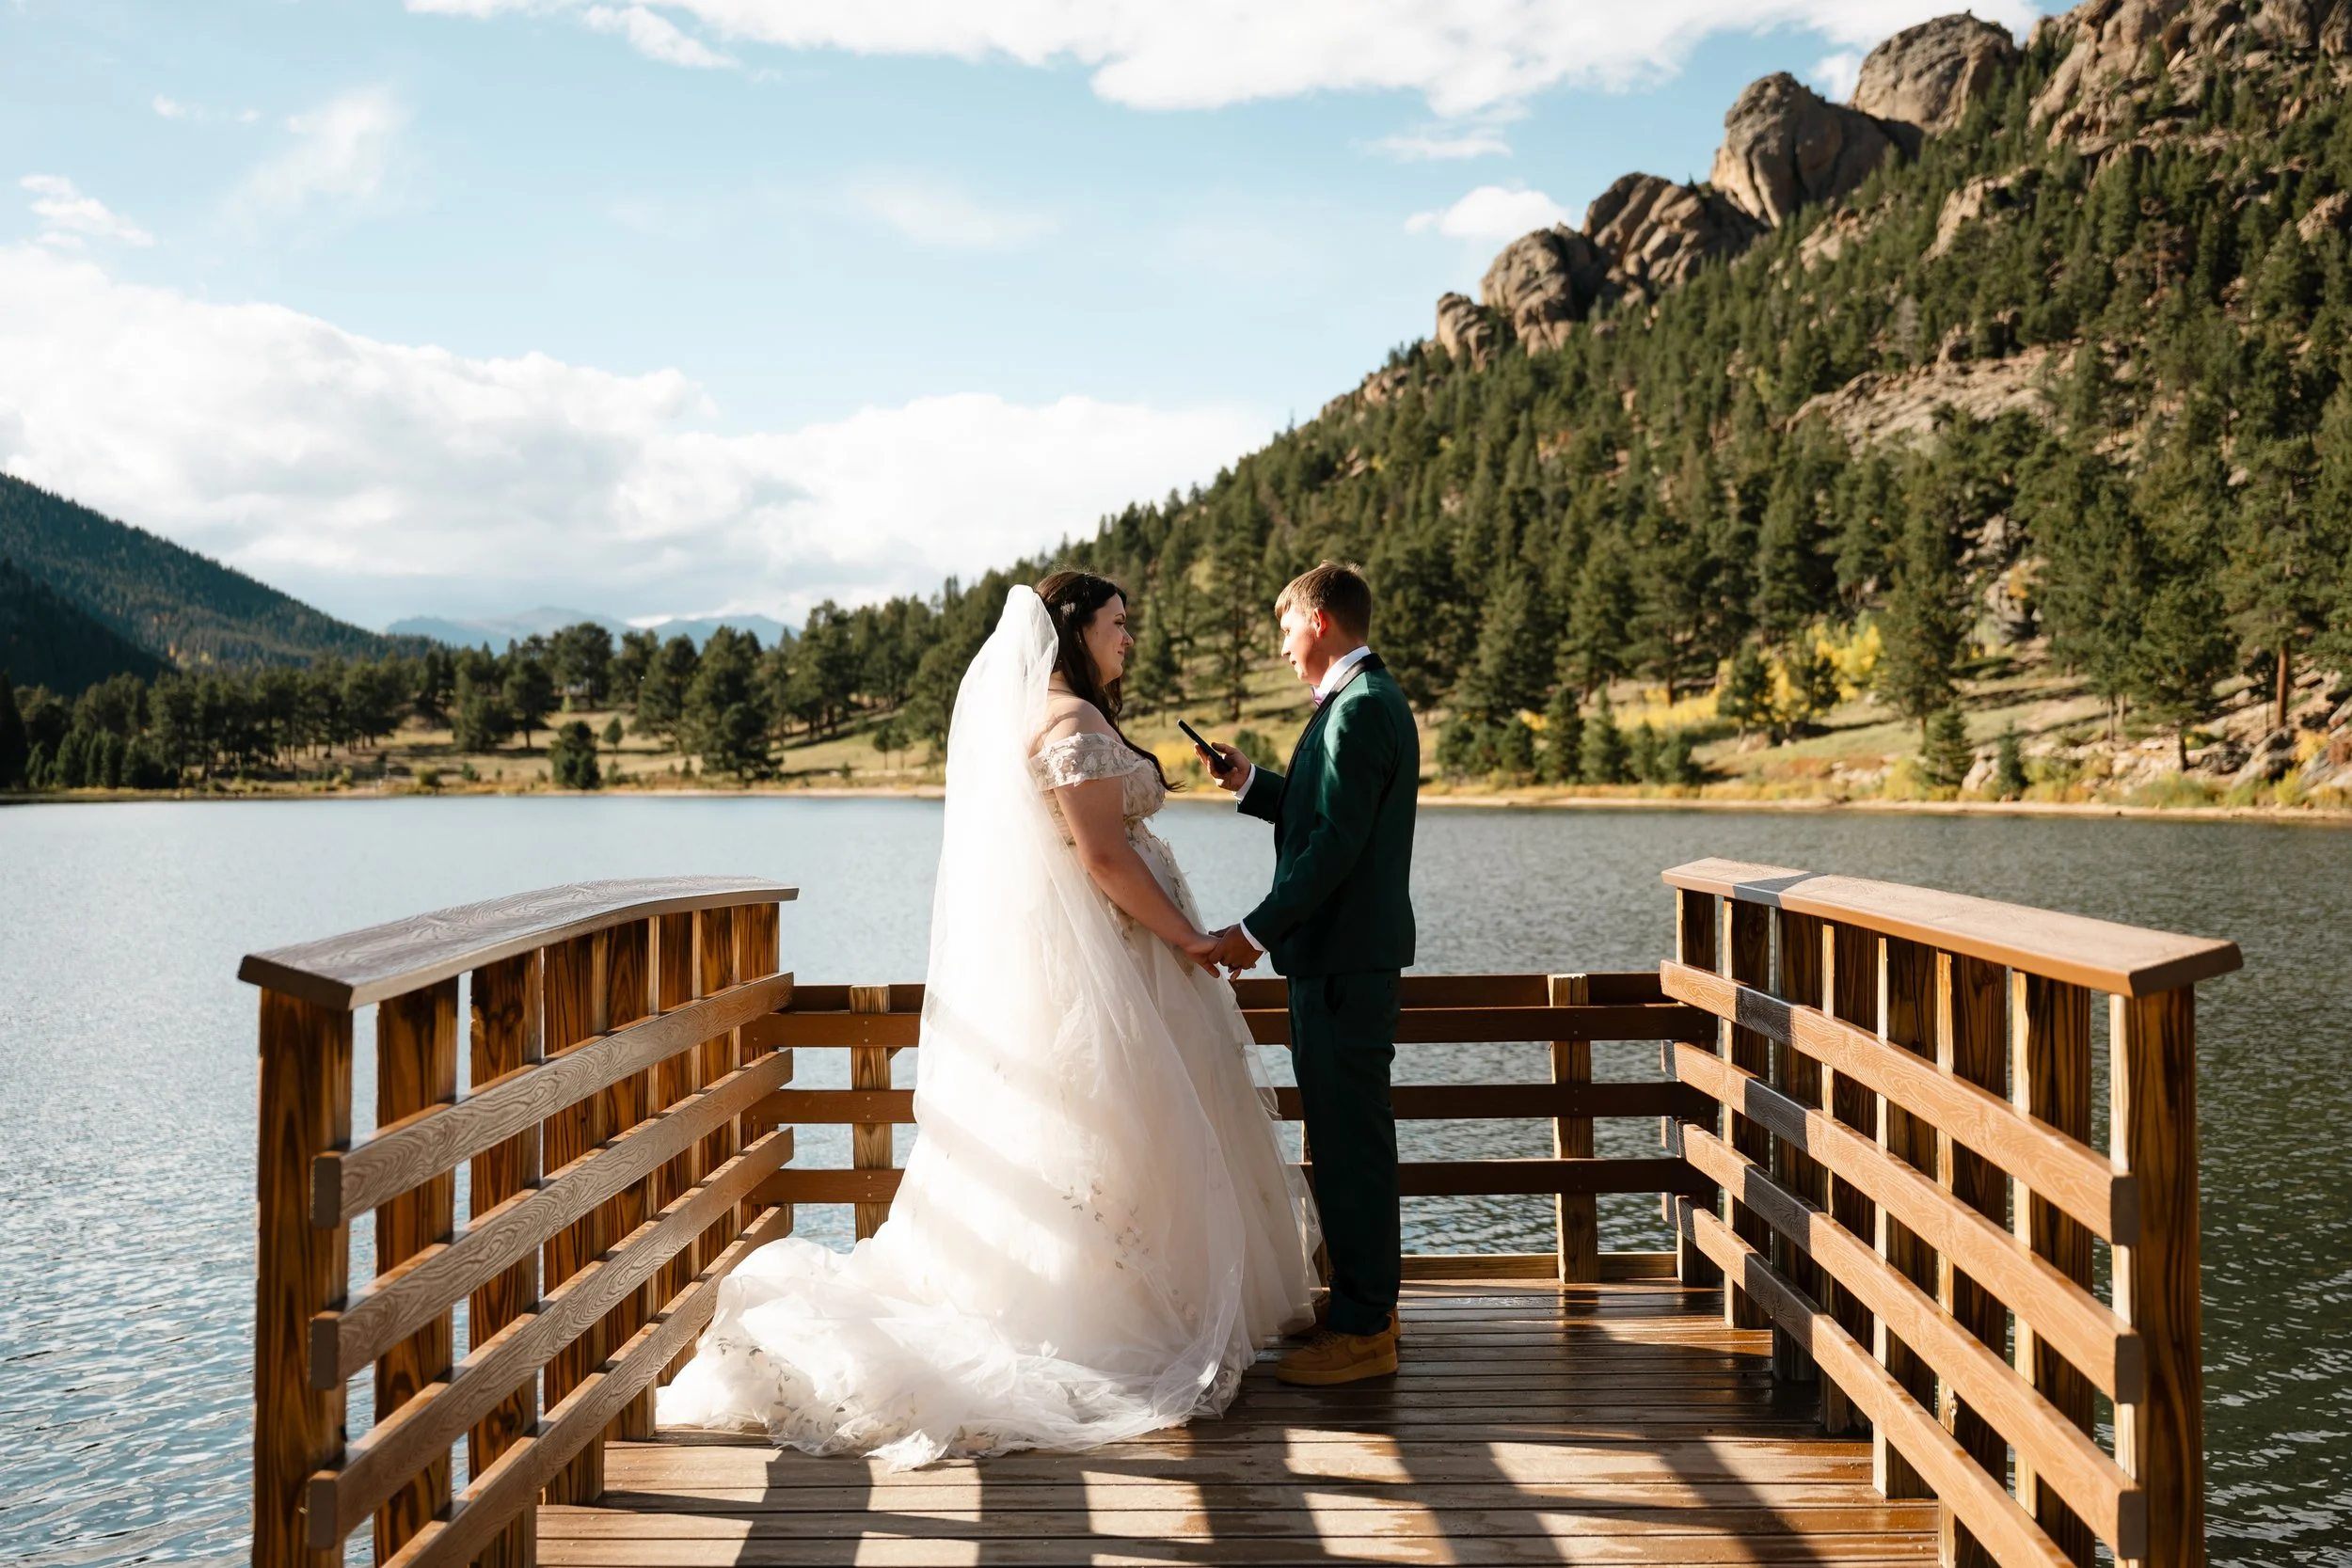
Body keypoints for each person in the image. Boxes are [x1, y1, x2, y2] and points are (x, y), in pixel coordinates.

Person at [657, 571, 1319, 1465]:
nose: (1128, 638)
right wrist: (1191, 938)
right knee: (1130, 1128)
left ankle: (1159, 1297)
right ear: (1074, 628)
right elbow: (1104, 858)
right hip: (1122, 964)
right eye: (1117, 623)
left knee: (1140, 1133)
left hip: (1130, 961)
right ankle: (1113, 1316)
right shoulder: (1069, 725)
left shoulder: (1065, 717)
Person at [1203, 561, 1418, 1386]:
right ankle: (1366, 1305)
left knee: (1350, 1144)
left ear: (1319, 621)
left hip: (1341, 963)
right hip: (1342, 961)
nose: (1284, 646)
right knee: (1343, 1137)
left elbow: (1334, 846)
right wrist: (1252, 782)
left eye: (1287, 627)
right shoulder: (1361, 701)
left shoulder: (1359, 708)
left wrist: (1253, 931)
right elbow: (1327, 811)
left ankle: (1365, 1330)